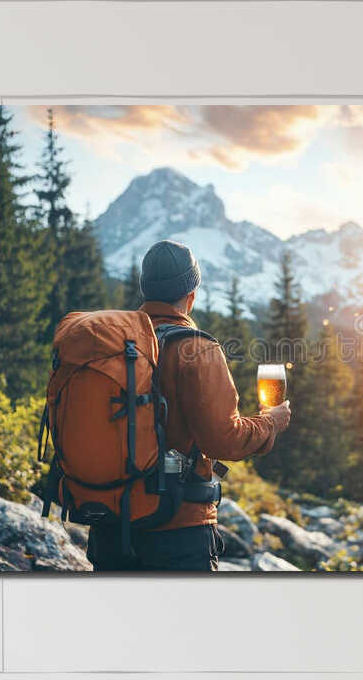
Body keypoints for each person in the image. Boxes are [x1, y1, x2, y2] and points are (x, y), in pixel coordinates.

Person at [87, 240, 293, 572]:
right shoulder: (197, 350)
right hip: (176, 529)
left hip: (108, 524)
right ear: (191, 296)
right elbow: (223, 439)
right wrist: (270, 423)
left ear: (144, 290)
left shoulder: (111, 345)